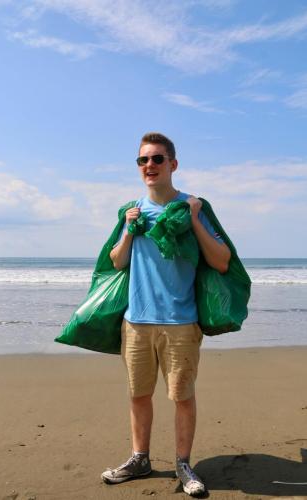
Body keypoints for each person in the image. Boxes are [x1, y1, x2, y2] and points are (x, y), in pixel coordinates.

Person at [101, 132, 231, 497]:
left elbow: (221, 262)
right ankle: (139, 458)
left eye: (157, 159)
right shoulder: (133, 211)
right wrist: (128, 228)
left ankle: (183, 464)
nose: (149, 166)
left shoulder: (191, 207)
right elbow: (116, 261)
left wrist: (194, 219)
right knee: (138, 394)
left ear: (173, 164)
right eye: (143, 160)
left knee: (182, 396)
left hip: (181, 323)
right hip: (137, 322)